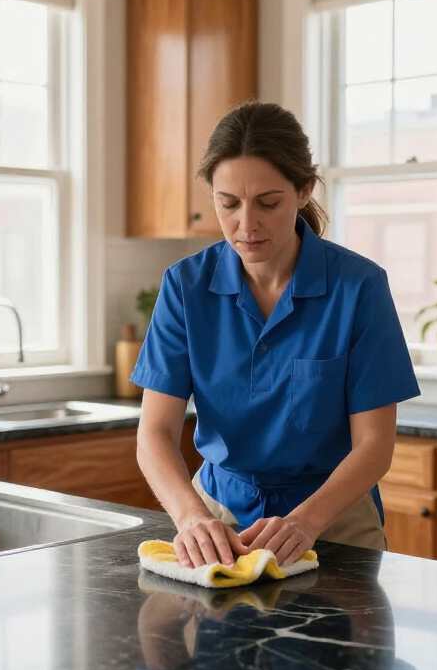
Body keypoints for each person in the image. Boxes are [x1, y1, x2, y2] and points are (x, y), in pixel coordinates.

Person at [131, 101, 420, 569]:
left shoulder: (359, 288)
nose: (247, 224)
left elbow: (374, 446)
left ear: (304, 190)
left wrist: (304, 523)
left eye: (268, 203)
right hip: (218, 519)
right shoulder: (184, 287)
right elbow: (156, 434)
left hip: (334, 520)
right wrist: (191, 518)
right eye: (229, 204)